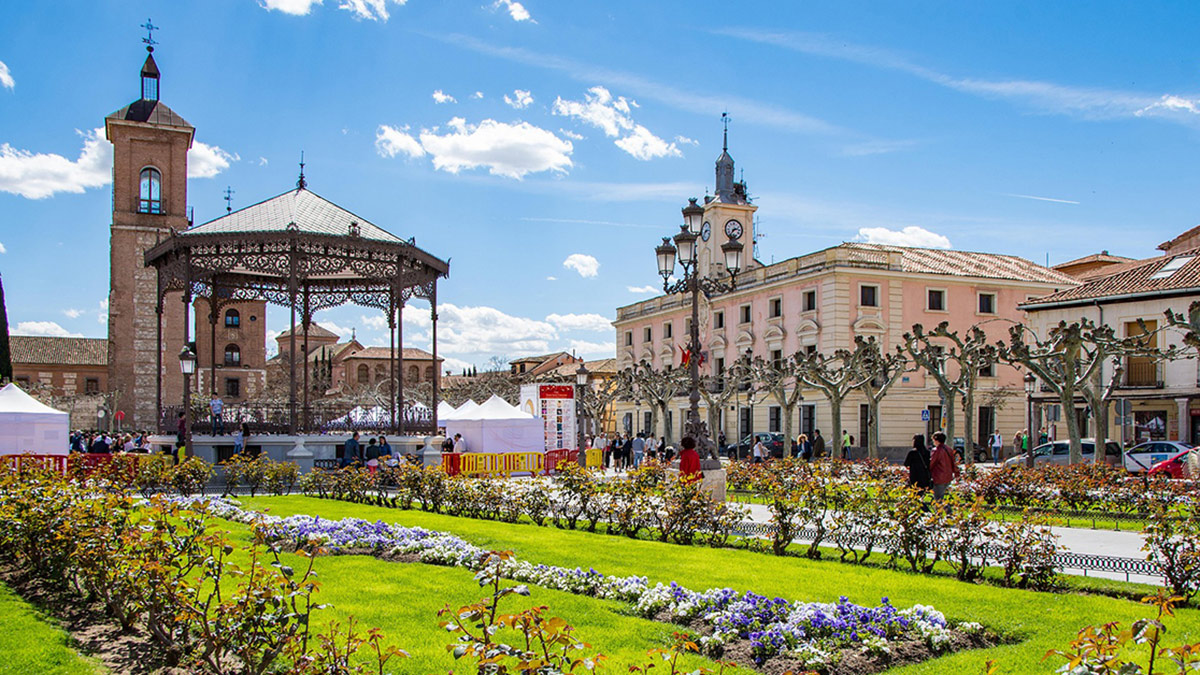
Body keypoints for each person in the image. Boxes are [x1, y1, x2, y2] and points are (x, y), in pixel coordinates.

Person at [929, 432, 960, 500]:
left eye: (933, 440)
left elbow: (931, 463)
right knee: (943, 497)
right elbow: (953, 462)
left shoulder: (936, 450)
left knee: (938, 499)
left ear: (936, 440)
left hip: (938, 477)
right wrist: (956, 473)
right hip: (948, 476)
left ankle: (944, 507)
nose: (933, 442)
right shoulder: (949, 449)